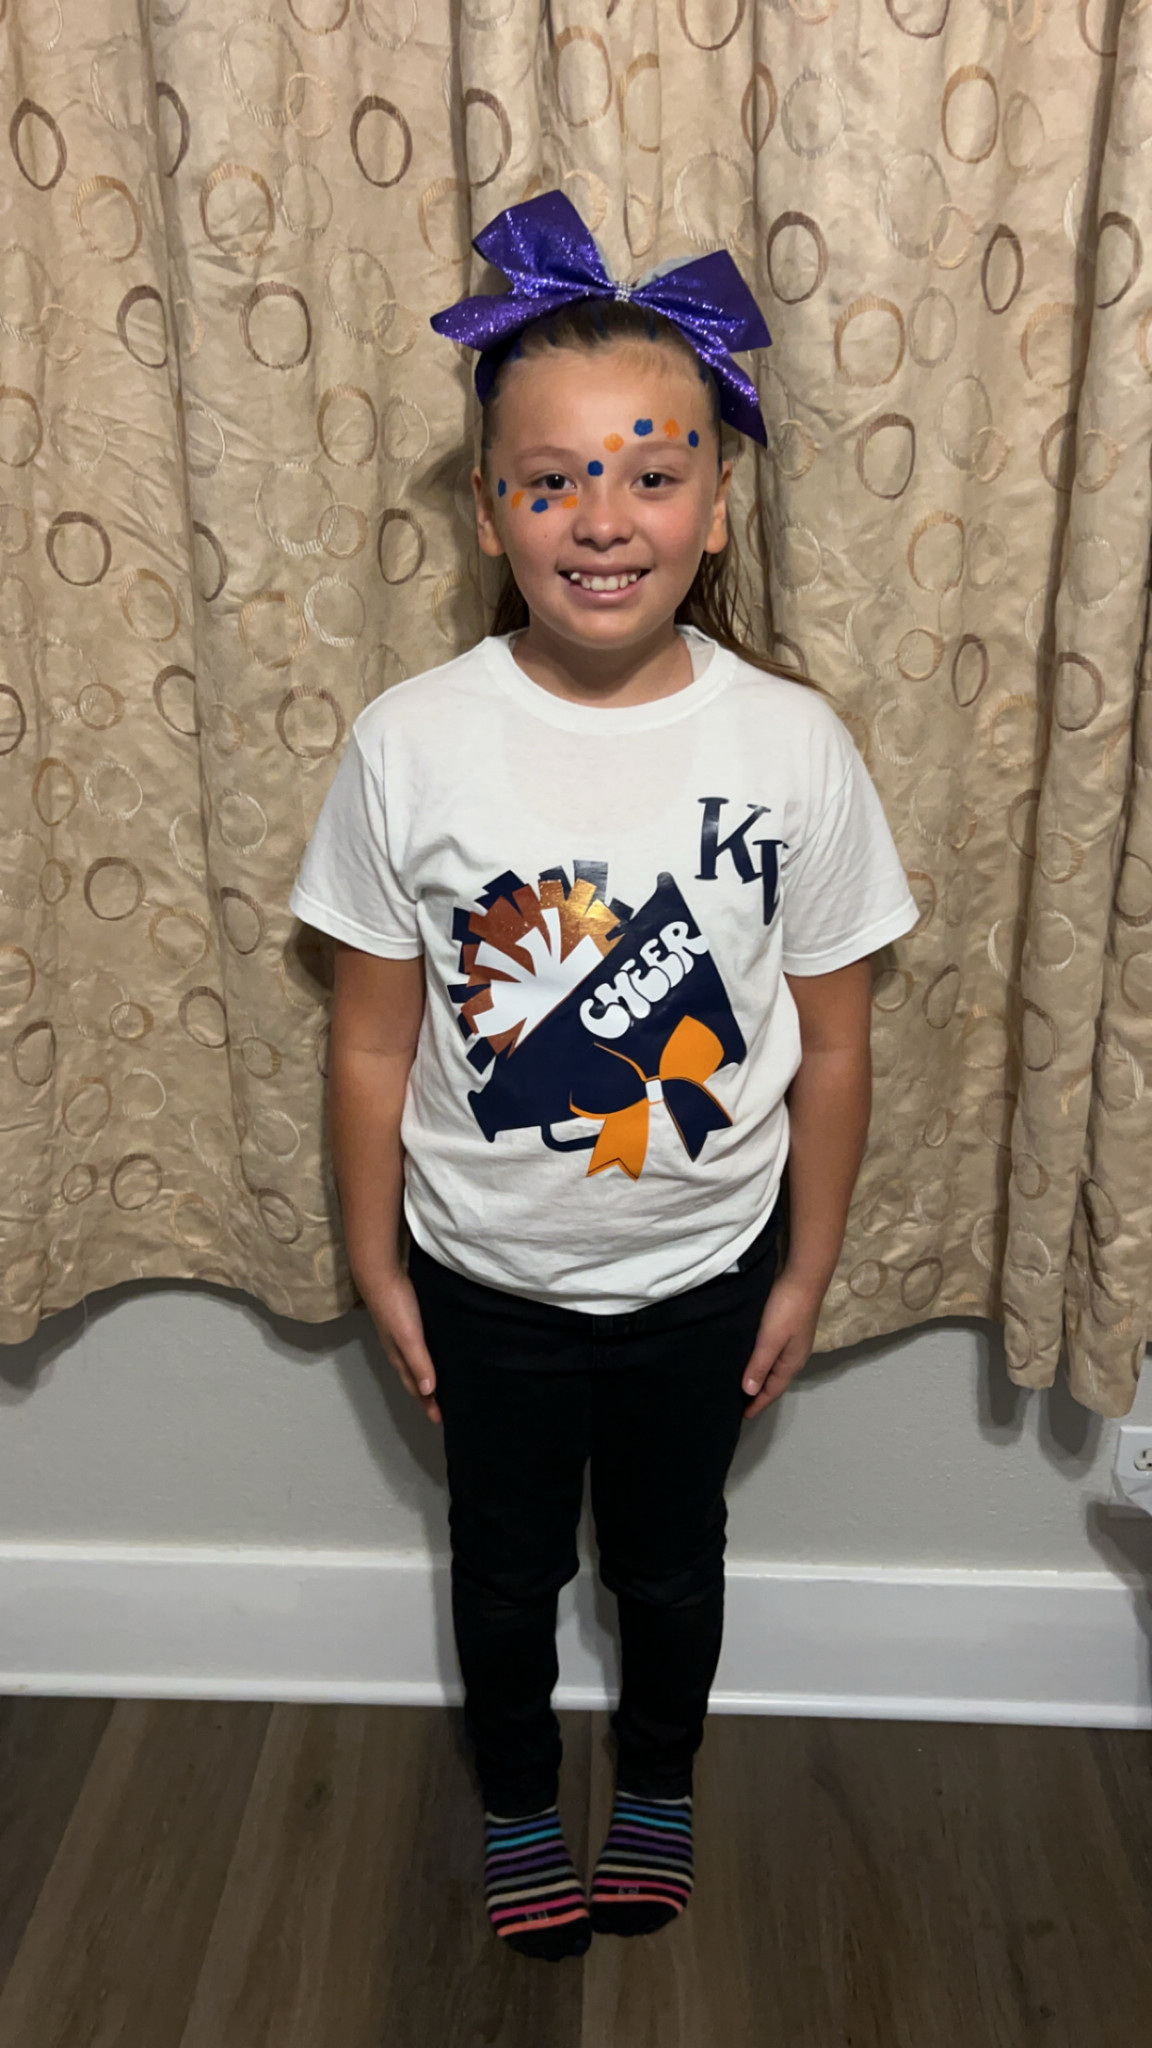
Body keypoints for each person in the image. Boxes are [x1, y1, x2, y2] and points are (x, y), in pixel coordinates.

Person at [290, 190, 918, 1963]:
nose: (602, 516)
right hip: (483, 1283)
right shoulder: (411, 741)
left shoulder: (792, 745)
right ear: (493, 508)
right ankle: (513, 1799)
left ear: (716, 505)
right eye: (552, 478)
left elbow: (839, 1037)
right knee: (503, 1576)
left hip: (702, 1277)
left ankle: (657, 1778)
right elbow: (370, 1031)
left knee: (670, 1566)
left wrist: (803, 1267)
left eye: (651, 471)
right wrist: (375, 1259)